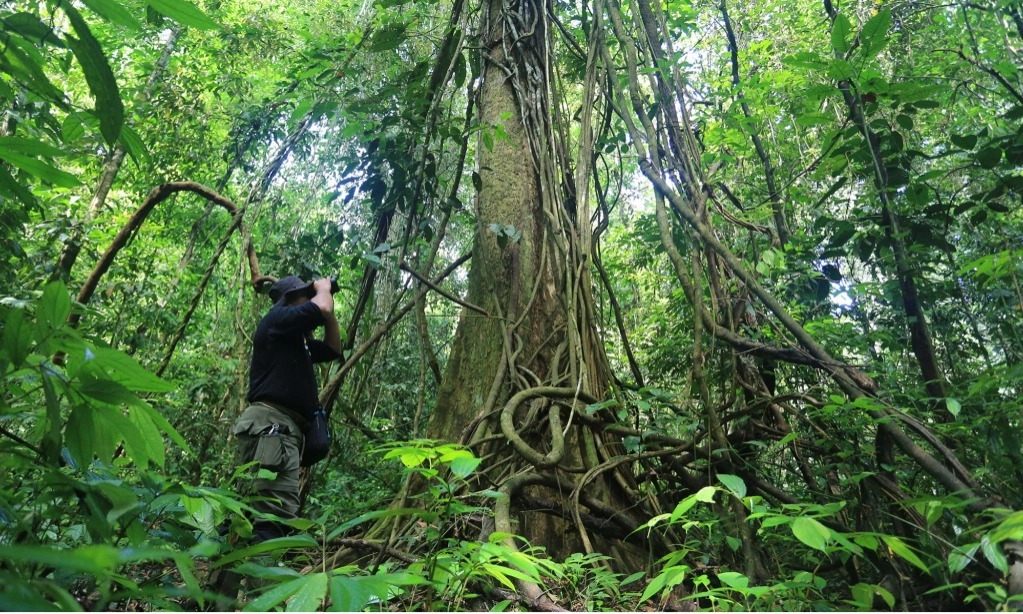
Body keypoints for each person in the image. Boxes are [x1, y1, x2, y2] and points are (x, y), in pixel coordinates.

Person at [231, 275, 342, 542]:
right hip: (273, 428)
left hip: (275, 430)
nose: (313, 297)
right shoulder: (277, 319)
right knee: (272, 519)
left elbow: (332, 348)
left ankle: (223, 584)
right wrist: (324, 289)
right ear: (290, 299)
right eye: (307, 294)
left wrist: (328, 312)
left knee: (246, 515)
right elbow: (323, 307)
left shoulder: (294, 339)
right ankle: (265, 583)